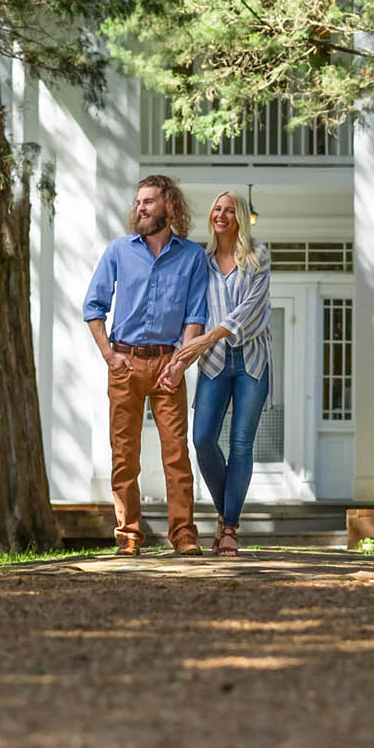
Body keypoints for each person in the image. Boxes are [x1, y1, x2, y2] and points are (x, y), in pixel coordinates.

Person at [82, 174, 210, 557]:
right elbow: (94, 306)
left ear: (169, 207)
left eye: (149, 201)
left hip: (169, 365)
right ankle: (128, 537)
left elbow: (195, 316)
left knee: (176, 454)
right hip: (125, 364)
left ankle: (184, 536)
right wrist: (109, 355)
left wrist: (179, 363)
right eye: (138, 202)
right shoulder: (119, 251)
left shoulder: (192, 257)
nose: (140, 207)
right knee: (124, 454)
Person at [169, 190, 273, 558]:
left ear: (241, 218)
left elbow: (251, 310)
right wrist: (183, 355)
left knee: (241, 443)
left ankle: (229, 529)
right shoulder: (202, 260)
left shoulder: (258, 256)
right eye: (217, 208)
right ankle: (226, 513)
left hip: (251, 361)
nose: (222, 214)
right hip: (213, 362)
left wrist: (208, 337)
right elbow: (193, 309)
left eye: (230, 210)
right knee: (202, 440)